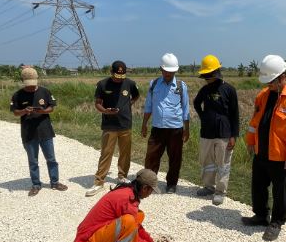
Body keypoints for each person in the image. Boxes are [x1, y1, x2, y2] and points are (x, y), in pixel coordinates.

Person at [71, 168, 179, 242]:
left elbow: (137, 228)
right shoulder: (127, 200)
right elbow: (134, 240)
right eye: (151, 190)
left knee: (138, 216)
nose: (150, 194)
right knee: (128, 222)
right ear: (145, 188)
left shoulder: (127, 191)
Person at [242, 54, 286, 241]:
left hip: (280, 156)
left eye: (271, 81)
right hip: (261, 152)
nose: (268, 85)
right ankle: (261, 215)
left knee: (280, 191)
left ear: (282, 77)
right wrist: (251, 141)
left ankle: (277, 221)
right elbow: (255, 122)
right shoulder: (262, 96)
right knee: (258, 186)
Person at [10, 66, 69, 196]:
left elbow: (51, 107)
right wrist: (25, 111)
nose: (31, 87)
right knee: (33, 160)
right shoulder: (17, 95)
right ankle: (36, 184)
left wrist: (42, 111)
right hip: (28, 132)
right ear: (23, 81)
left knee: (51, 159)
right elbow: (15, 112)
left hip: (45, 131)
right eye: (28, 84)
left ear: (37, 80)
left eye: (33, 84)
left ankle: (55, 182)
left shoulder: (45, 92)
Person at [86, 60, 140, 196]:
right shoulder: (102, 84)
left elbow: (136, 96)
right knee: (106, 153)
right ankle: (99, 182)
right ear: (111, 72)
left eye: (122, 76)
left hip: (125, 124)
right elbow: (97, 103)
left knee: (125, 153)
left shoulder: (130, 83)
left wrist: (127, 105)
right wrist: (105, 111)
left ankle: (122, 176)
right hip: (109, 125)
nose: (119, 79)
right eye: (117, 76)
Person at [193, 54, 239, 205]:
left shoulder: (229, 90)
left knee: (223, 163)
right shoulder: (205, 90)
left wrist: (234, 135)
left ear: (216, 73)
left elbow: (234, 114)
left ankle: (220, 191)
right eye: (205, 76)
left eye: (209, 75)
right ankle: (208, 186)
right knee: (207, 161)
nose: (207, 78)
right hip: (207, 132)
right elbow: (196, 103)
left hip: (224, 134)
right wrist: (203, 116)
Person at [142, 53, 190, 194]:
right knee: (151, 157)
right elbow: (149, 105)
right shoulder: (154, 84)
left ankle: (171, 184)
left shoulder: (181, 86)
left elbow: (186, 108)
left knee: (175, 158)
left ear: (175, 71)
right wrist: (144, 124)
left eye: (172, 71)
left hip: (175, 129)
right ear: (161, 69)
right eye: (166, 71)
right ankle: (149, 183)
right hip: (157, 128)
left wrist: (186, 129)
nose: (169, 74)